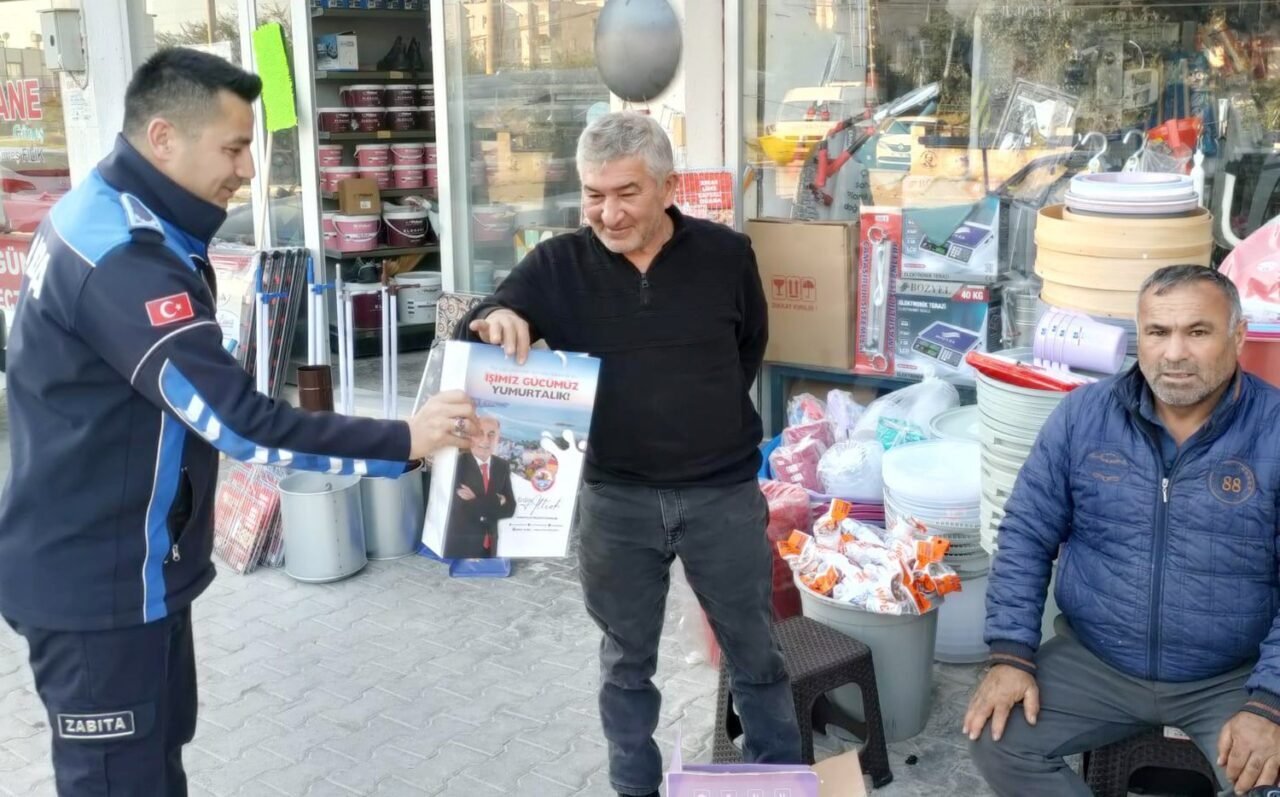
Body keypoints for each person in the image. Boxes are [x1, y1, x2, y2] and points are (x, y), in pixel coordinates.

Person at [0, 48, 479, 796]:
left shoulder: (112, 214)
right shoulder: (125, 257)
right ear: (163, 138)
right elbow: (241, 425)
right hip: (100, 587)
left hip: (130, 570)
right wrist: (402, 440)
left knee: (155, 767)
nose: (249, 170)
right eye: (233, 148)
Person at [462, 111, 802, 797]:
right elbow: (487, 315)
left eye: (626, 193)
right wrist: (496, 317)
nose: (608, 214)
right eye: (593, 195)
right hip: (615, 499)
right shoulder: (557, 264)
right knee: (625, 663)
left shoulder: (726, 255)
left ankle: (776, 779)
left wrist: (695, 417)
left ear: (668, 187)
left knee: (755, 652)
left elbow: (748, 350)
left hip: (721, 495)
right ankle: (635, 786)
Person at [965, 265, 1280, 796]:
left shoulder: (1273, 429)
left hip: (1230, 675)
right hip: (1097, 662)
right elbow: (1025, 534)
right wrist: (1010, 654)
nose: (1174, 353)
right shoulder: (1083, 416)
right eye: (1158, 332)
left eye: (1197, 331)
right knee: (996, 737)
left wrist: (1270, 703)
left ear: (1238, 336)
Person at [444, 415, 517, 558]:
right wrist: (498, 501)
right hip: (462, 548)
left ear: (498, 438)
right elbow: (460, 508)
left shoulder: (502, 465)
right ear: (470, 436)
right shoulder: (457, 464)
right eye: (480, 433)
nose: (486, 440)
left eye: (491, 434)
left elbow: (510, 509)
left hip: (491, 547)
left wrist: (475, 499)